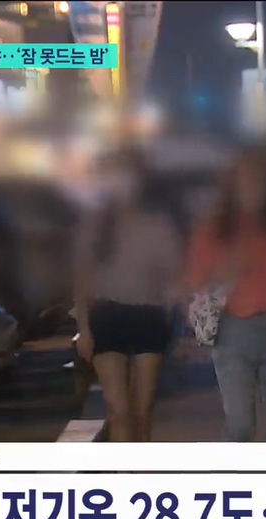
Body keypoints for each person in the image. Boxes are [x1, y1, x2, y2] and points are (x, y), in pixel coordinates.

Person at [186, 145, 266, 442]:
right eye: (244, 178)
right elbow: (197, 279)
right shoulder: (216, 227)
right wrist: (230, 267)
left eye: (259, 178)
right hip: (233, 328)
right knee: (240, 425)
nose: (252, 186)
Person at [73, 146, 185, 442]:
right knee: (119, 410)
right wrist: (83, 329)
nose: (122, 181)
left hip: (149, 316)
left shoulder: (157, 223)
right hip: (107, 318)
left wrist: (177, 320)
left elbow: (173, 277)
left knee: (142, 411)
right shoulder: (94, 225)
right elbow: (82, 280)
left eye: (128, 173)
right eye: (115, 174)